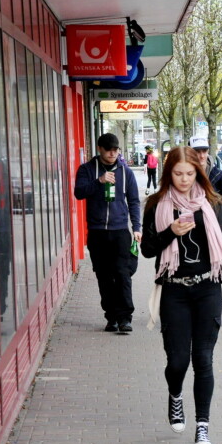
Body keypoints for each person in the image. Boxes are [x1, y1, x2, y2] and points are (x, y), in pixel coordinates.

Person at [141, 146, 222, 444]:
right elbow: (148, 249)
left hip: (207, 288)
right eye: (178, 174)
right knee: (177, 362)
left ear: (198, 172)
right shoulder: (156, 204)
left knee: (203, 359)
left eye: (190, 174)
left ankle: (203, 427)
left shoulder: (211, 203)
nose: (184, 179)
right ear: (168, 172)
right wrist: (170, 232)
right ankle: (175, 395)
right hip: (174, 290)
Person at [73, 133, 141, 334]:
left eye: (116, 149)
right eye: (109, 149)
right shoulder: (86, 169)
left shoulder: (125, 172)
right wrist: (99, 181)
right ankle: (111, 317)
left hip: (120, 231)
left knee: (122, 274)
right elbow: (79, 192)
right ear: (100, 148)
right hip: (97, 232)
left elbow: (134, 201)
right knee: (103, 276)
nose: (113, 153)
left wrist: (137, 227)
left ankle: (125, 318)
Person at [189, 136, 222, 236]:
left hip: (217, 232)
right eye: (197, 151)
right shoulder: (185, 178)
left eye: (204, 151)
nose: (202, 155)